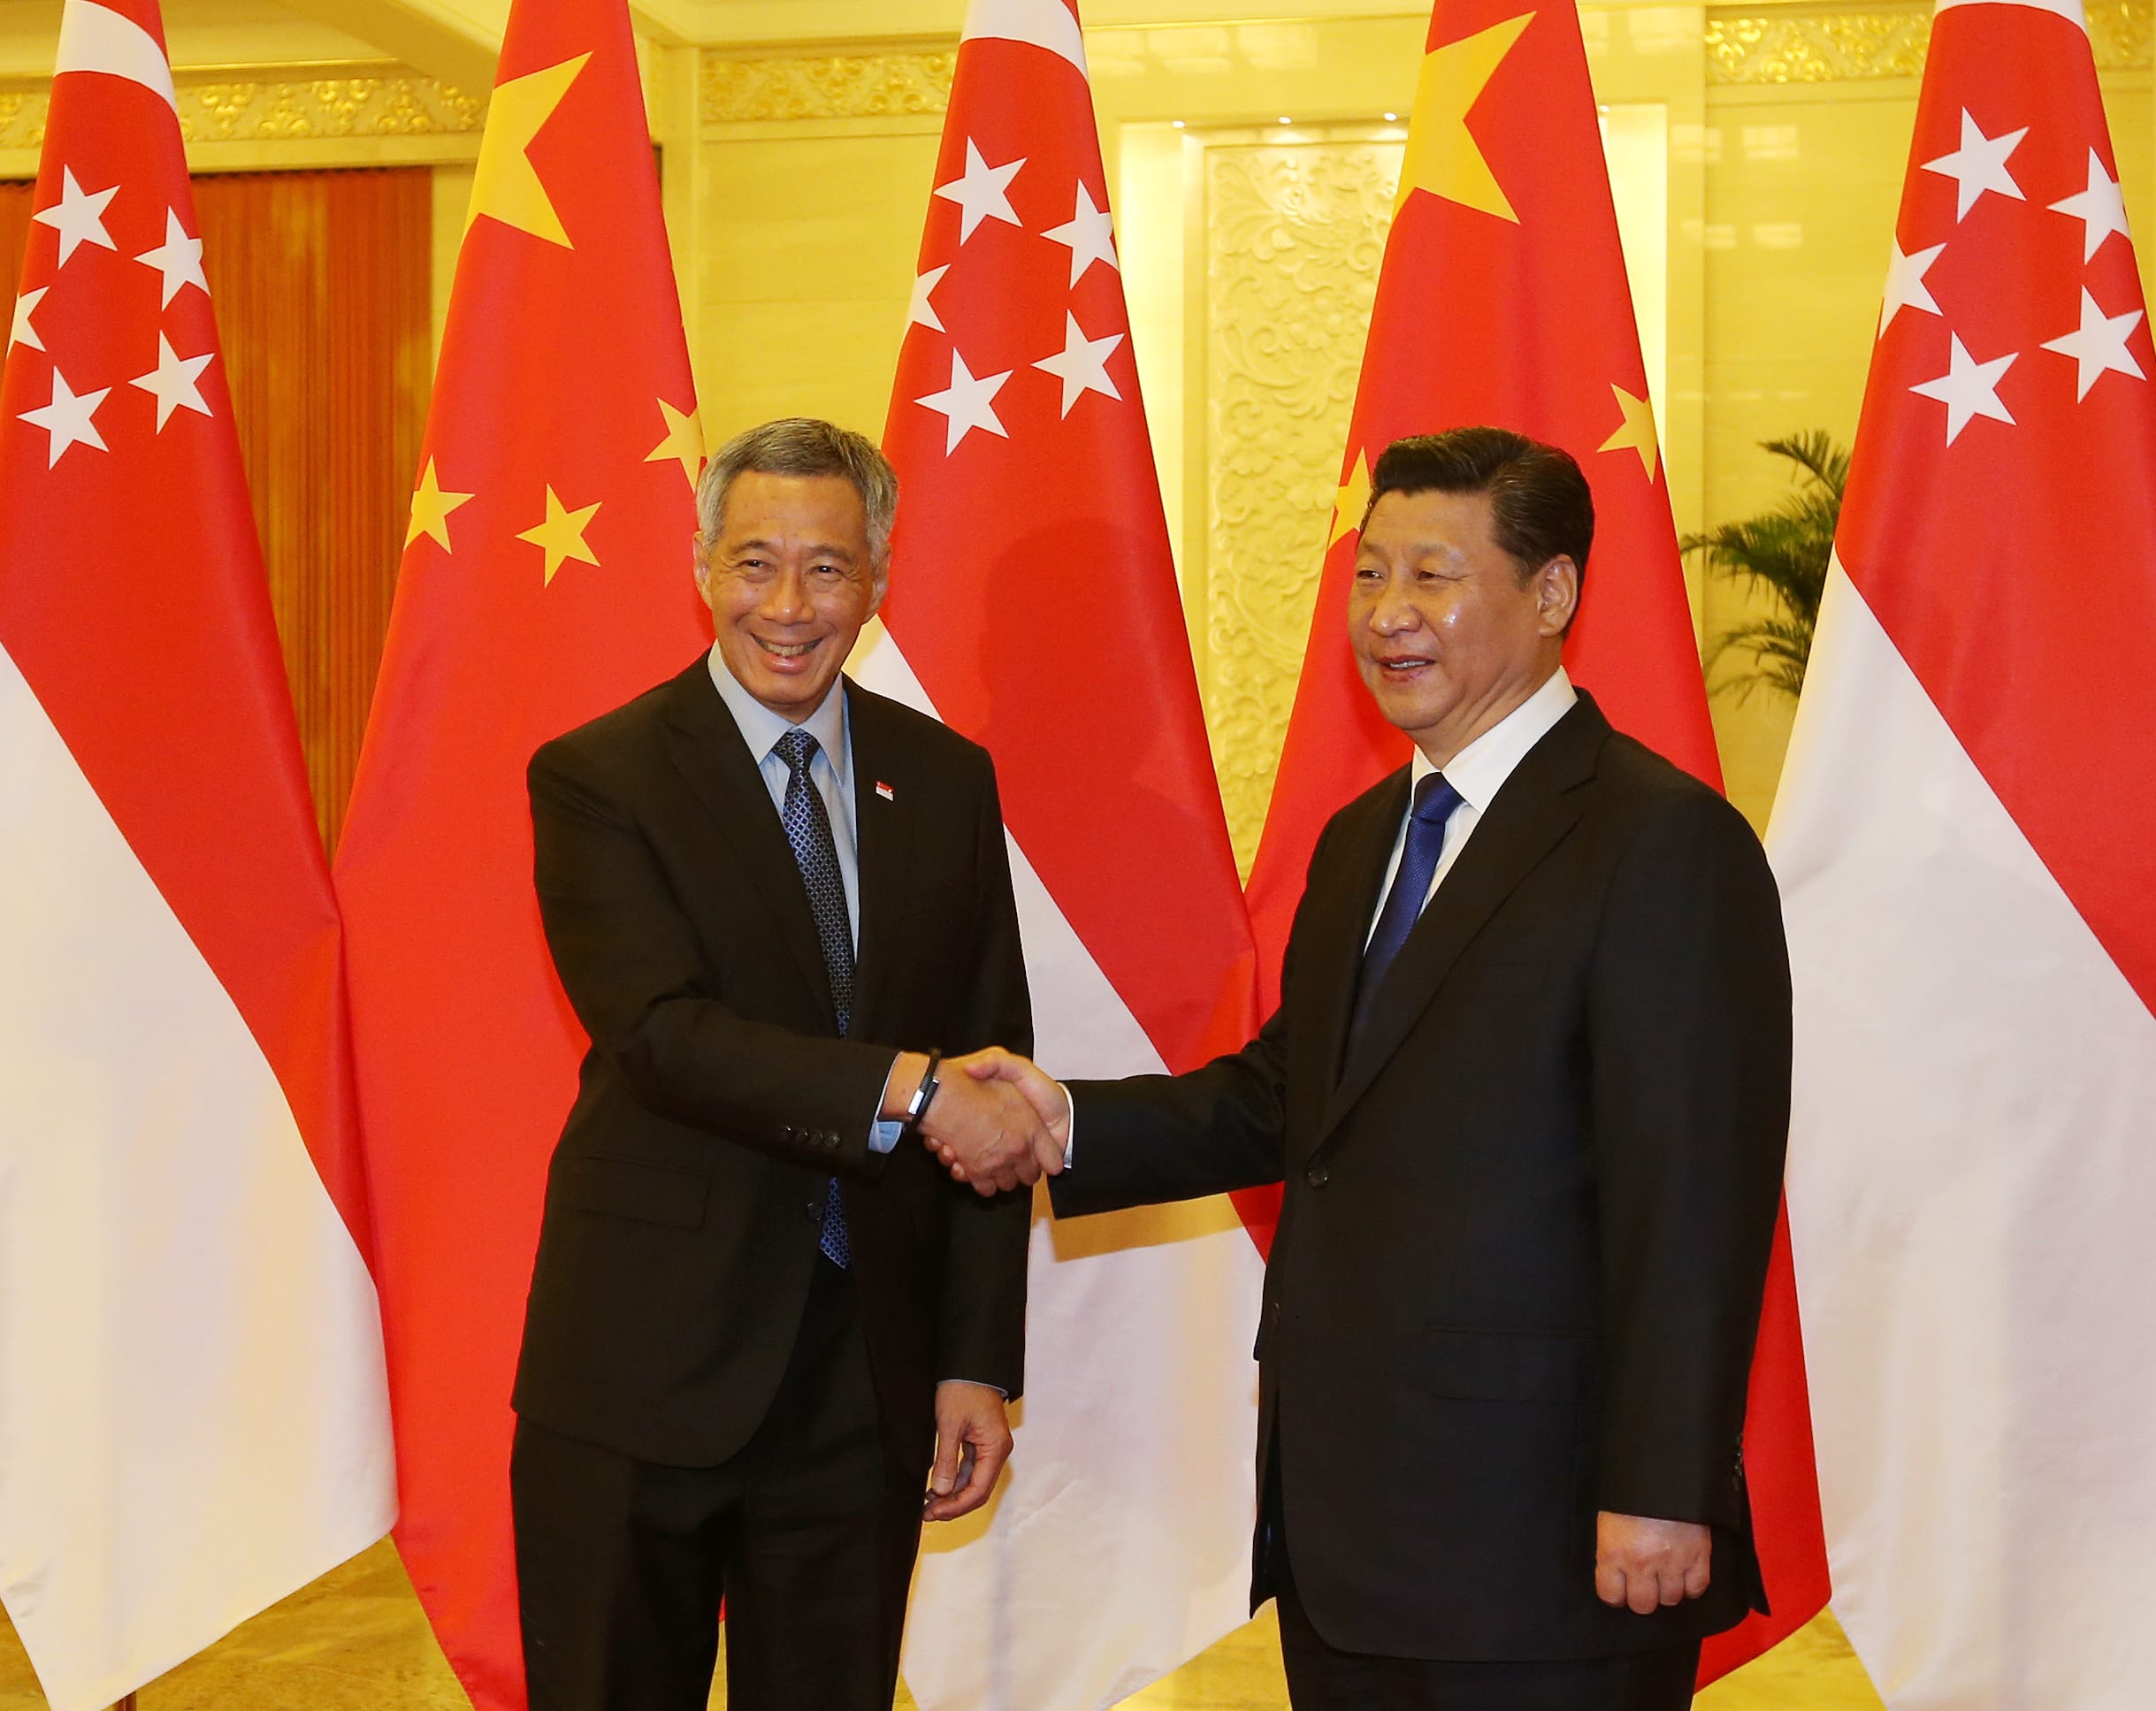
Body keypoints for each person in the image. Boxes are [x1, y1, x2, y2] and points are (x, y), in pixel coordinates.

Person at [932, 427, 1793, 1711]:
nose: (1390, 616)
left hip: (1548, 1546)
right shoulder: (1364, 841)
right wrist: (1065, 1122)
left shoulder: (1661, 843)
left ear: (1551, 595)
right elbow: (1295, 1104)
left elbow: (1694, 1201)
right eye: (1371, 575)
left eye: (1434, 577)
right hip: (1349, 1536)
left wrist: (1662, 1490)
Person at [508, 417, 1055, 1711]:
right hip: (643, 1361)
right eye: (756, 564)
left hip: (861, 1378)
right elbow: (662, 1033)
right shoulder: (601, 777)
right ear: (700, 567)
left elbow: (995, 1066)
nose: (790, 607)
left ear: (878, 577)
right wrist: (907, 1088)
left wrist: (975, 1358)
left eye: (828, 568)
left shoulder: (947, 780)